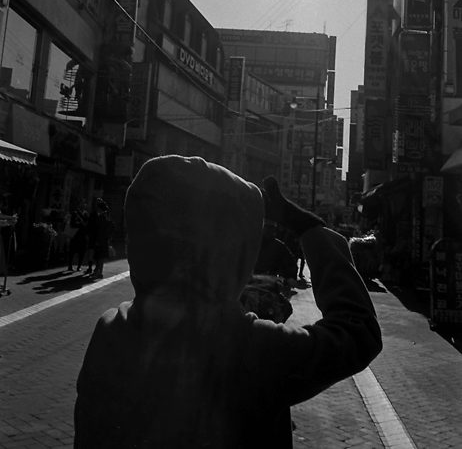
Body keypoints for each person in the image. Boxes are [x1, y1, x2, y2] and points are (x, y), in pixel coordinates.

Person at [74, 156, 382, 449]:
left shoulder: (111, 329)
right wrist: (308, 228)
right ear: (230, 251)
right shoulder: (249, 347)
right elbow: (358, 331)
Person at [91, 200, 115, 279]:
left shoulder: (101, 218)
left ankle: (98, 271)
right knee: (100, 257)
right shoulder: (106, 217)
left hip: (100, 240)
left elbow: (99, 230)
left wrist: (98, 239)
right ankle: (99, 271)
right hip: (104, 240)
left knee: (99, 257)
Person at [67, 200, 88, 272]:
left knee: (82, 251)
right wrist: (81, 224)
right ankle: (70, 265)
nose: (84, 205)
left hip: (83, 234)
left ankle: (79, 266)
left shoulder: (85, 214)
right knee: (72, 251)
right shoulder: (75, 213)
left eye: (84, 203)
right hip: (75, 234)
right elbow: (72, 224)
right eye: (82, 203)